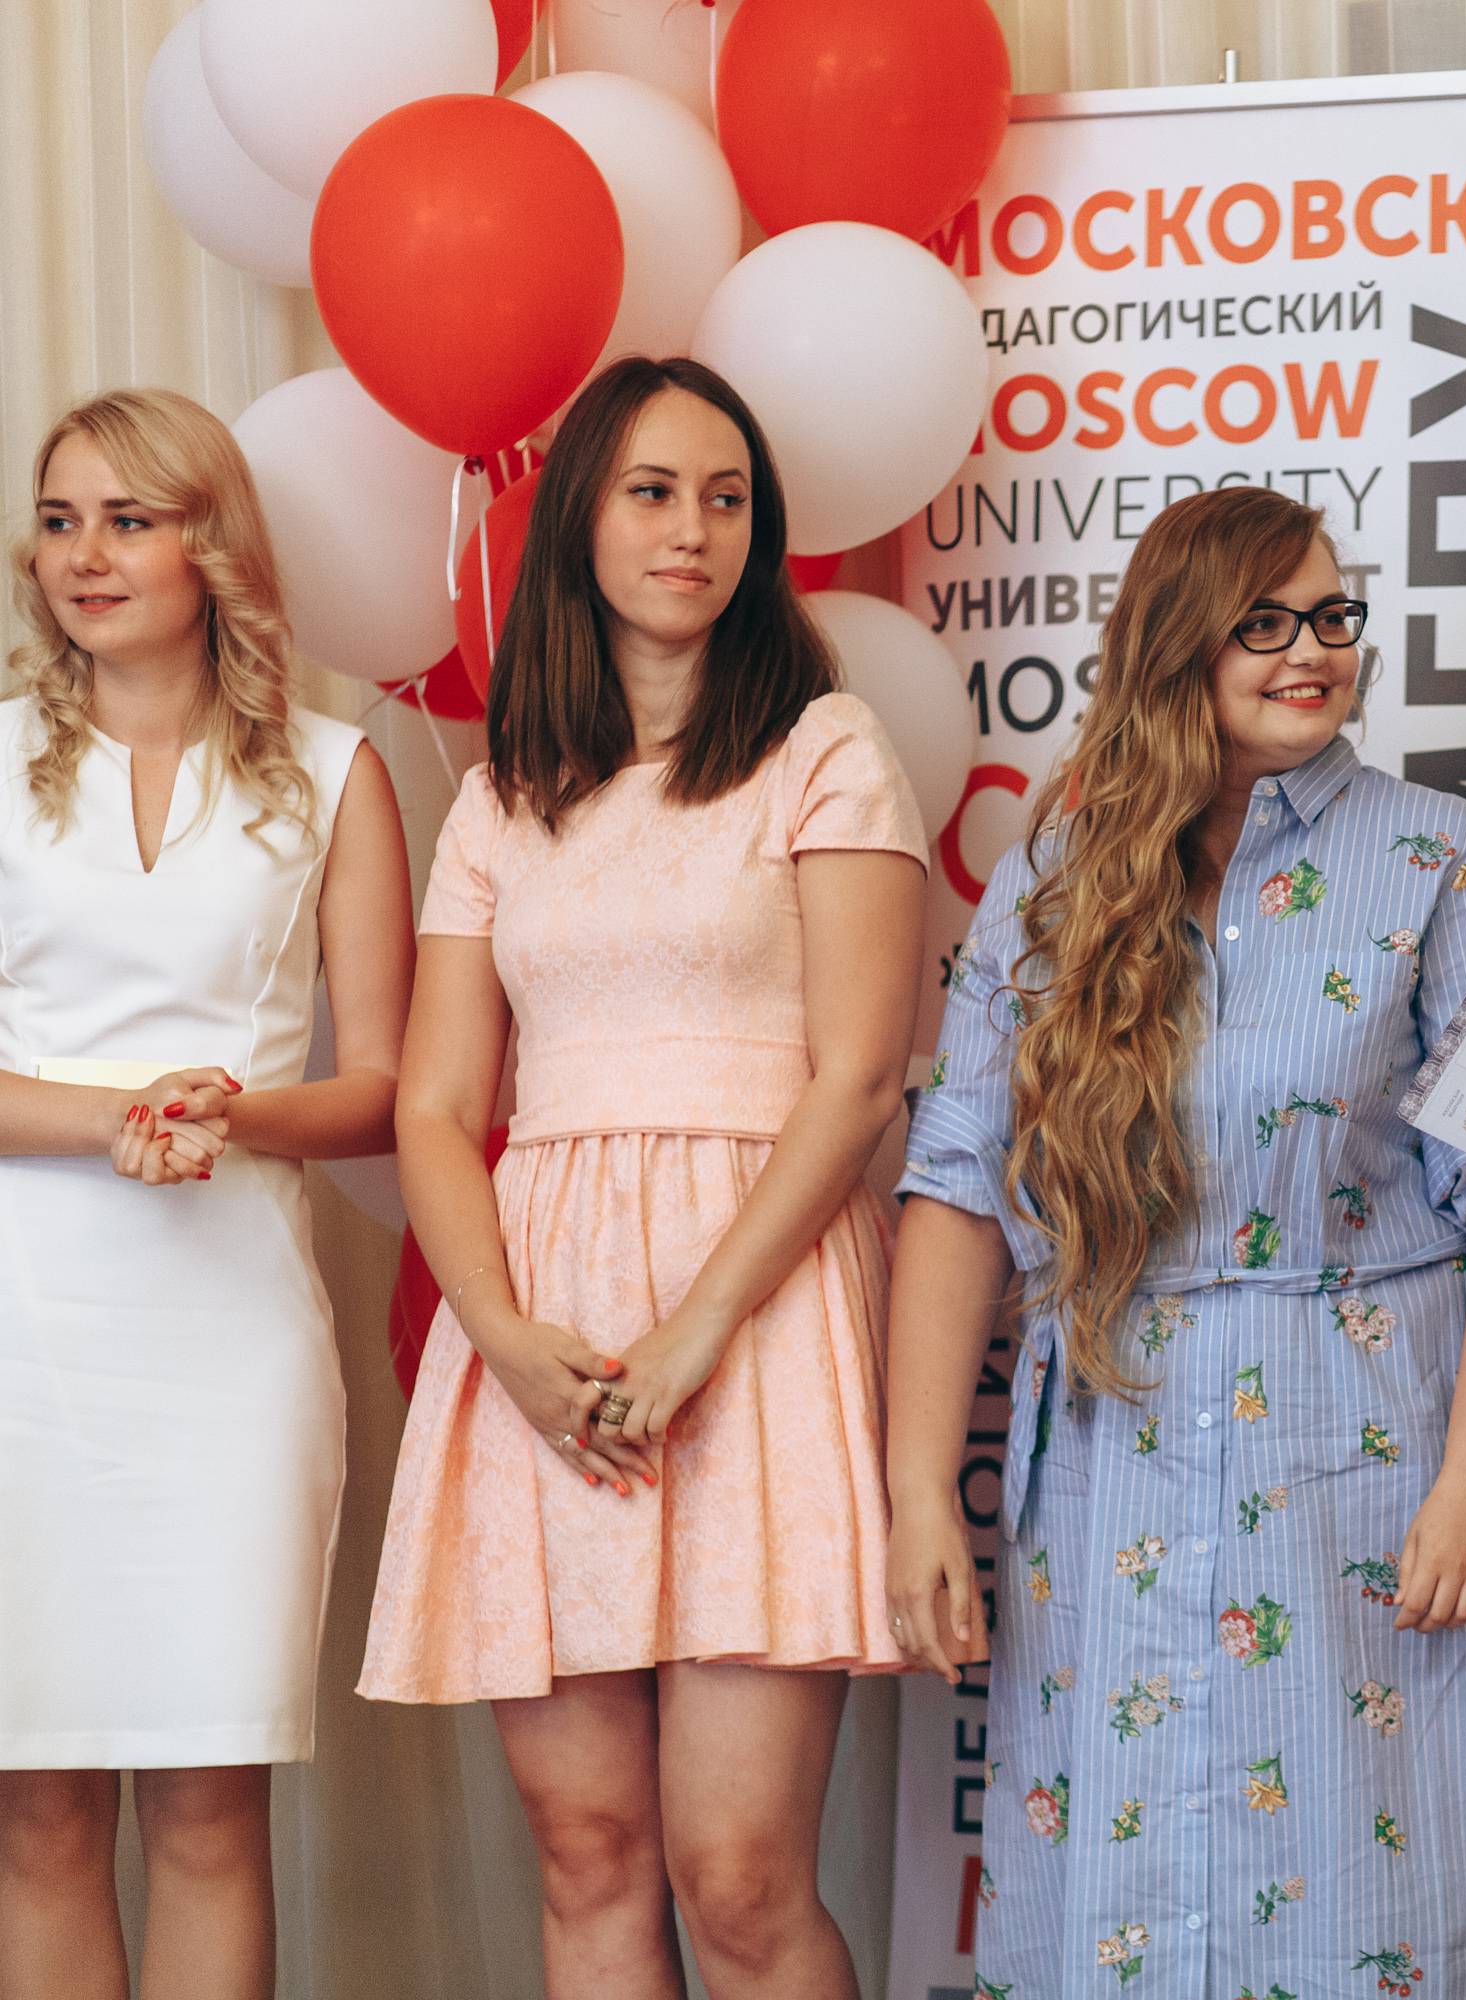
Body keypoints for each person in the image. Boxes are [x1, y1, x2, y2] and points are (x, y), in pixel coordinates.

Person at [884, 484, 1466, 2000]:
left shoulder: (1444, 858)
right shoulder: (1054, 872)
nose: (1313, 650)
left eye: (1332, 615)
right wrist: (914, 1497)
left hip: (1375, 1453)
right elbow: (959, 1185)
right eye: (1265, 622)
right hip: (1114, 1463)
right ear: (1179, 644)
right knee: (1133, 1894)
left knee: (1382, 1895)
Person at [357, 356, 926, 2000]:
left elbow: (858, 1077)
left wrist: (695, 1332)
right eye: (654, 493)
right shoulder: (498, 802)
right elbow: (437, 1104)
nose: (694, 530)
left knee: (737, 1875)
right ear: (579, 526)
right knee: (589, 1856)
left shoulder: (824, 749)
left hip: (755, 1313)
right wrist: (503, 1339)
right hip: (541, 1329)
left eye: (727, 499)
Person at [0, 388, 412, 2000]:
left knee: (208, 1809)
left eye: (129, 518)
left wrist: (233, 1118)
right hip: (25, 1338)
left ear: (214, 542)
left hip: (233, 1344)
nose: (84, 555)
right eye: (59, 521)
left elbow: (384, 1086)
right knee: (36, 1817)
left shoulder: (336, 770)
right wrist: (116, 1120)